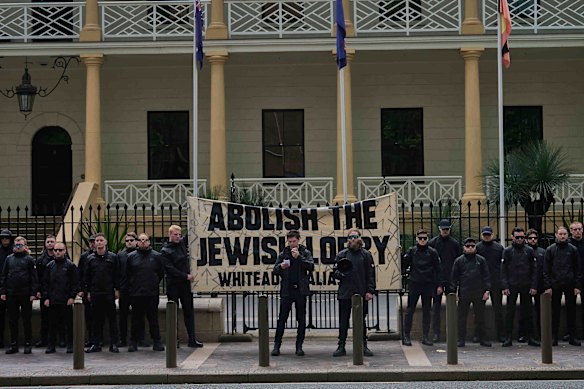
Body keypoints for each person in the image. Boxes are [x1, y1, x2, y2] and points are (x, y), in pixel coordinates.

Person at [332, 229, 376, 357]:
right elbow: (334, 272)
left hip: (360, 292)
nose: (352, 239)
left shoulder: (366, 255)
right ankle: (341, 346)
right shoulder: (342, 255)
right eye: (350, 237)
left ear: (360, 238)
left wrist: (369, 291)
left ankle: (363, 346)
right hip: (345, 293)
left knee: (361, 321)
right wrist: (342, 273)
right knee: (343, 321)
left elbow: (371, 275)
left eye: (355, 237)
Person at [271, 230, 315, 357]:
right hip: (287, 290)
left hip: (300, 291)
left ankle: (299, 346)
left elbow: (311, 266)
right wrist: (281, 267)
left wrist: (299, 258)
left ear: (298, 240)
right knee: (282, 319)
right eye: (290, 242)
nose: (292, 244)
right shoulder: (284, 253)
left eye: (294, 241)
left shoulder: (305, 252)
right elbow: (275, 270)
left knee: (301, 319)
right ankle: (276, 345)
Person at [161, 225, 203, 348]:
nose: (178, 236)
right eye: (175, 234)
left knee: (189, 312)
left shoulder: (181, 243)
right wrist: (185, 276)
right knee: (173, 314)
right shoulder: (165, 250)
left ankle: (192, 339)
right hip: (173, 285)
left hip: (185, 286)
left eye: (179, 234)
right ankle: (175, 340)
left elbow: (191, 233)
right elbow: (169, 269)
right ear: (170, 235)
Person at [125, 233, 165, 352]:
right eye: (141, 240)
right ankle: (133, 342)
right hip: (136, 293)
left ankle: (157, 341)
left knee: (153, 319)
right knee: (135, 319)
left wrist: (154, 282)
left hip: (151, 293)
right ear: (137, 242)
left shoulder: (157, 256)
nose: (143, 242)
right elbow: (127, 274)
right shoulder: (131, 257)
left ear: (149, 242)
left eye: (145, 240)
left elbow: (160, 273)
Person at [500, 227, 539, 347]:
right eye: (517, 237)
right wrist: (505, 286)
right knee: (509, 313)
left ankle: (531, 337)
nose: (520, 239)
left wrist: (533, 285)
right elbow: (503, 270)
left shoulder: (529, 251)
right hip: (512, 285)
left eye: (522, 237)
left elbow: (534, 270)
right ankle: (508, 338)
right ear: (512, 237)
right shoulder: (507, 251)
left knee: (528, 312)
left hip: (526, 285)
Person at [402, 229, 441, 347]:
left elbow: (438, 269)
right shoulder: (412, 251)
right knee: (410, 310)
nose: (423, 240)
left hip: (428, 284)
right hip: (415, 283)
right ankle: (406, 335)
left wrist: (438, 285)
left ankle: (425, 336)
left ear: (428, 239)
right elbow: (404, 266)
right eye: (420, 238)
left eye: (425, 238)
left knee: (427, 311)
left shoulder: (433, 252)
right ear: (416, 239)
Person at [543, 226, 582, 346]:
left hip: (570, 285)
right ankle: (553, 337)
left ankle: (572, 336)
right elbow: (546, 269)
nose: (563, 236)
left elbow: (578, 269)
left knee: (572, 312)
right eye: (560, 234)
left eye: (564, 234)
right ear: (556, 235)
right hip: (555, 285)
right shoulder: (550, 249)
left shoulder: (573, 249)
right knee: (555, 312)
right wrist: (548, 286)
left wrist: (577, 285)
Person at [450, 237, 491, 347]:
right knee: (461, 318)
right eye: (468, 246)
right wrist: (453, 292)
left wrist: (487, 291)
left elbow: (486, 276)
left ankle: (483, 339)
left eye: (472, 246)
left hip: (479, 292)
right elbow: (454, 277)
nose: (470, 248)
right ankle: (460, 339)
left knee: (481, 317)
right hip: (464, 292)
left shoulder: (481, 260)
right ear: (464, 247)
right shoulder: (459, 261)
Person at [0, 236, 38, 354]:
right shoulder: (9, 259)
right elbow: (4, 276)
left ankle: (28, 344)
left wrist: (33, 293)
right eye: (16, 245)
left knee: (27, 320)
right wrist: (3, 292)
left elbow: (34, 278)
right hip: (11, 294)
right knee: (12, 320)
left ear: (25, 246)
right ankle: (14, 344)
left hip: (26, 294)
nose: (17, 247)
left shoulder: (29, 260)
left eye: (20, 245)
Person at [84, 233, 120, 353]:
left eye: (101, 240)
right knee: (96, 320)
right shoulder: (90, 259)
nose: (98, 242)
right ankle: (96, 343)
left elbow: (117, 274)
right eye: (97, 240)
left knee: (112, 319)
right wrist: (88, 291)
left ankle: (114, 343)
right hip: (95, 293)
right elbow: (87, 277)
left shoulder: (113, 257)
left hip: (109, 292)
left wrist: (117, 289)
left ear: (105, 242)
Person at [42, 242, 79, 354]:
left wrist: (72, 296)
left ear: (64, 251)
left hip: (66, 300)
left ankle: (70, 345)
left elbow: (75, 283)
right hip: (53, 300)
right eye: (56, 250)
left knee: (68, 324)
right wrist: (46, 297)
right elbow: (45, 283)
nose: (57, 252)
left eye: (60, 250)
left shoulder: (70, 266)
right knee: (52, 324)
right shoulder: (49, 266)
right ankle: (51, 346)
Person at [428, 219, 461, 342]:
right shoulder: (433, 243)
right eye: (444, 229)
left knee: (452, 308)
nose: (445, 231)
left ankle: (452, 333)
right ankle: (436, 333)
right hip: (437, 280)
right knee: (436, 308)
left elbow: (458, 262)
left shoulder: (454, 244)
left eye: (447, 229)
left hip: (451, 279)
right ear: (440, 229)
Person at [475, 226, 505, 343]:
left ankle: (501, 334)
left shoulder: (499, 248)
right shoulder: (477, 247)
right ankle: (479, 334)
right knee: (479, 311)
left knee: (498, 310)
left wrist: (503, 283)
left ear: (492, 235)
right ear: (482, 235)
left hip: (495, 282)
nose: (487, 237)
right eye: (485, 235)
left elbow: (503, 267)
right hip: (480, 283)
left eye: (488, 235)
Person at [35, 235, 56, 348]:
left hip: (58, 292)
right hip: (45, 291)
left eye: (52, 242)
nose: (50, 244)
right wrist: (38, 290)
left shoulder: (61, 257)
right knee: (45, 318)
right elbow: (37, 277)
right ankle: (44, 339)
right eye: (48, 242)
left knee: (58, 317)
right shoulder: (40, 260)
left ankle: (59, 339)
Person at [118, 232, 138, 347]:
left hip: (136, 289)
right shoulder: (120, 255)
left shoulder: (139, 253)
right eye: (127, 241)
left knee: (137, 316)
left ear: (135, 241)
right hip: (124, 289)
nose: (129, 242)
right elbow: (117, 272)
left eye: (131, 240)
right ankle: (122, 339)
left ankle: (136, 339)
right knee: (123, 316)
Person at [526, 229, 546, 340]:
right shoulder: (524, 251)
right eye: (530, 238)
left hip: (540, 285)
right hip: (527, 285)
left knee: (540, 311)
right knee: (527, 311)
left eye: (535, 238)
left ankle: (540, 333)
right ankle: (528, 334)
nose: (533, 240)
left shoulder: (542, 252)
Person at [78, 235, 96, 347]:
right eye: (91, 242)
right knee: (89, 317)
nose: (93, 244)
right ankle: (91, 339)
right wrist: (81, 289)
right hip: (87, 291)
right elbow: (80, 274)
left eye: (95, 241)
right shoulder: (84, 256)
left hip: (100, 291)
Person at [568, 222, 584, 341]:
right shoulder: (567, 244)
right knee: (571, 309)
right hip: (572, 280)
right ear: (571, 231)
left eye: (579, 229)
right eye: (575, 229)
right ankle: (571, 333)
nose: (577, 231)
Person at [0, 229, 14, 348]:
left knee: (12, 316)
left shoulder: (13, 252)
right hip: (2, 287)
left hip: (12, 288)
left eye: (7, 238)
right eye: (3, 238)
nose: (5, 240)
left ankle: (13, 341)